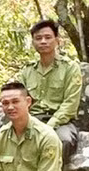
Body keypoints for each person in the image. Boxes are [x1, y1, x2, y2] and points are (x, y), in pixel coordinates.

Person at [16, 19, 82, 162]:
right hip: (32, 119)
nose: (43, 41)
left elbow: (70, 104)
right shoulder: (27, 71)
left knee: (62, 141)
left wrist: (49, 126)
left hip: (60, 121)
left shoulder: (70, 68)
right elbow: (18, 101)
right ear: (33, 42)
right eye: (38, 38)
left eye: (48, 37)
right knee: (8, 139)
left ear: (57, 40)